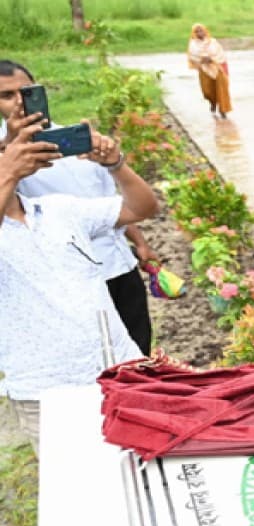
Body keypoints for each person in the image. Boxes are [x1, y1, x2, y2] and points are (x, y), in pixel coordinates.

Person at [0, 123, 157, 455]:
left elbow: (142, 208)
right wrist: (7, 175)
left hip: (122, 370)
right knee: (83, 493)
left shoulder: (56, 209)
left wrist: (116, 165)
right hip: (50, 393)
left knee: (146, 472)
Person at [0, 59, 158, 356]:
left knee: (138, 353)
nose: (20, 102)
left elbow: (114, 201)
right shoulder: (7, 158)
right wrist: (9, 153)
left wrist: (139, 243)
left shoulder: (76, 138)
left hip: (118, 265)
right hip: (66, 279)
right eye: (7, 96)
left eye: (26, 92)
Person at [187, 23, 232, 118]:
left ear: (205, 31)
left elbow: (221, 54)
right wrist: (201, 60)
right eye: (197, 31)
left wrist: (211, 59)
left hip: (217, 68)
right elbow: (192, 56)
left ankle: (223, 110)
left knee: (222, 89)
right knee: (207, 91)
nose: (200, 33)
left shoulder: (213, 42)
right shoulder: (193, 44)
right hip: (204, 70)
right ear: (194, 33)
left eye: (201, 30)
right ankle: (212, 102)